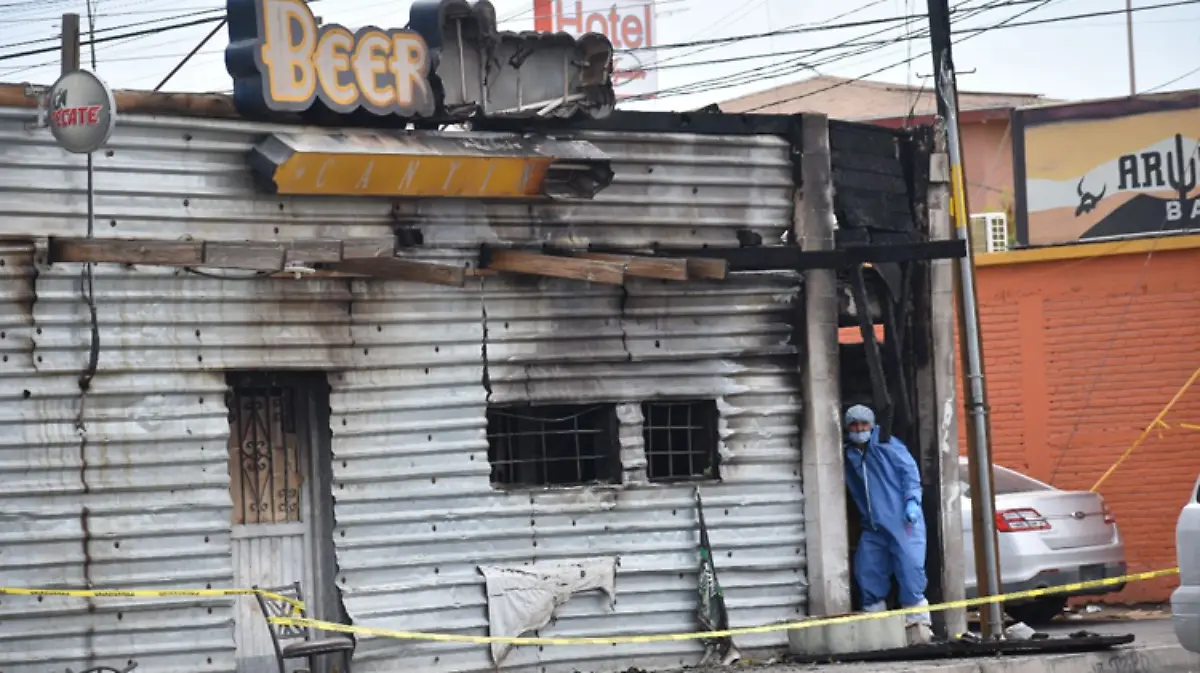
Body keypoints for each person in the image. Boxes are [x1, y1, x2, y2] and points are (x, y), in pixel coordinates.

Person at [843, 404, 933, 640]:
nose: (859, 429)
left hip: (902, 521)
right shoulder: (850, 453)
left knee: (910, 569)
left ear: (872, 426)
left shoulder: (887, 446)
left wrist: (912, 502)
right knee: (868, 569)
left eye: (864, 424)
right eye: (854, 425)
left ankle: (918, 626)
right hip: (873, 525)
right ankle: (877, 628)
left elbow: (910, 474)